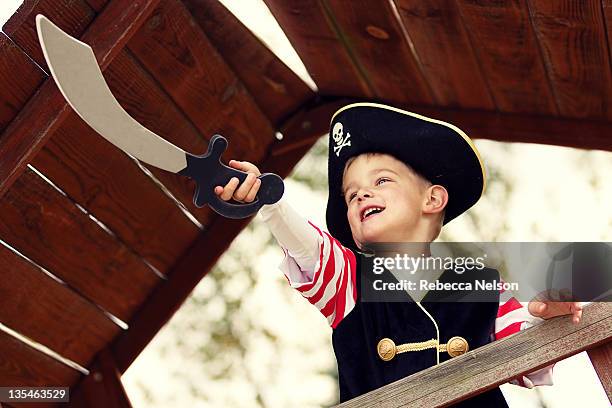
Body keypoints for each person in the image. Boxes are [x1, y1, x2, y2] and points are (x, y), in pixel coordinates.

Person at [214, 102, 583, 406]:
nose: (361, 195)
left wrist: (546, 314)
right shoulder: (348, 282)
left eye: (381, 180)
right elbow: (309, 249)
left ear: (432, 199)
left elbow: (523, 355)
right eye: (350, 194)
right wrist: (271, 203)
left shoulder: (482, 284)